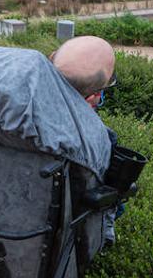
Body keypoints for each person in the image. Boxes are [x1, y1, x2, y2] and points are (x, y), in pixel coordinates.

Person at [50, 36, 121, 246]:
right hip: (59, 246)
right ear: (93, 97)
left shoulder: (13, 116)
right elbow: (106, 213)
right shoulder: (101, 140)